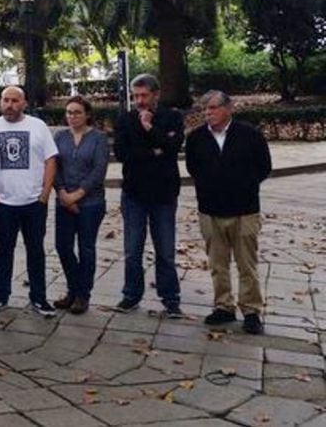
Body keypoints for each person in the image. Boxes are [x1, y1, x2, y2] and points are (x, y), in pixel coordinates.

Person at [185, 90, 272, 334]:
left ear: (228, 108)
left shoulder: (249, 135)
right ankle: (223, 306)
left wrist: (243, 184)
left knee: (247, 264)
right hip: (211, 210)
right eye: (205, 109)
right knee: (218, 263)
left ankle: (251, 310)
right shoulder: (196, 138)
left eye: (213, 108)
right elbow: (194, 168)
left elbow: (264, 167)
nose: (208, 113)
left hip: (244, 209)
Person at [0, 86, 58, 317]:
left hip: (33, 202)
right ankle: (0, 295)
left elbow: (51, 160)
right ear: (0, 103)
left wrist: (44, 195)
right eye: (5, 100)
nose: (9, 105)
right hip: (3, 203)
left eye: (14, 100)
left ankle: (39, 298)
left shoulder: (38, 127)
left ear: (23, 103)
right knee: (4, 251)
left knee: (36, 251)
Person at [113, 74, 185, 318]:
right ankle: (131, 295)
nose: (139, 101)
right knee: (133, 249)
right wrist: (155, 150)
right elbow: (122, 153)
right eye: (136, 96)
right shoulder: (124, 119)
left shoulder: (172, 117)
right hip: (134, 193)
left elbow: (172, 148)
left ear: (156, 94)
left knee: (165, 250)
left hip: (164, 194)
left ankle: (170, 298)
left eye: (144, 95)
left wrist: (149, 129)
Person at [53, 97, 109, 315]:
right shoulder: (60, 137)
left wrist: (77, 195)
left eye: (76, 112)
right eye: (68, 112)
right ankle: (73, 289)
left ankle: (82, 295)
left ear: (87, 114)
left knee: (86, 248)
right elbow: (54, 167)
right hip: (64, 200)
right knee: (63, 247)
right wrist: (63, 193)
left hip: (91, 202)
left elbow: (99, 170)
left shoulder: (98, 138)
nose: (72, 116)